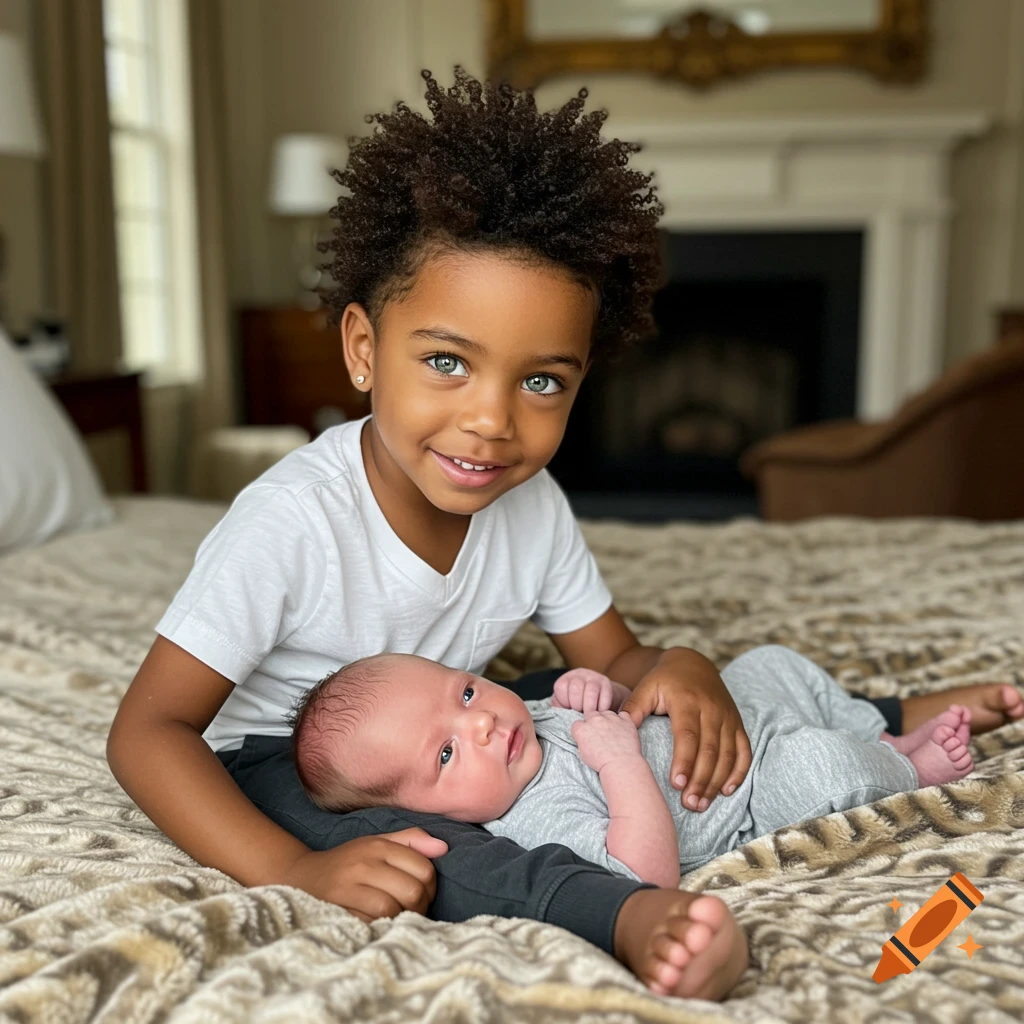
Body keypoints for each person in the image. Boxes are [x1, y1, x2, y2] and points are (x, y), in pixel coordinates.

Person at [105, 65, 1023, 1002]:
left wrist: (684, 667)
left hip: (463, 714)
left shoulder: (528, 503)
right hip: (301, 762)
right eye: (447, 362)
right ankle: (627, 914)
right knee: (439, 857)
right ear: (363, 349)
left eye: (541, 381)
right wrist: (288, 869)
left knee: (598, 705)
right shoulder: (290, 523)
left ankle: (881, 716)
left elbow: (616, 660)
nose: (493, 421)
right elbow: (147, 732)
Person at [290, 648, 979, 897]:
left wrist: (594, 690)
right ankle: (904, 764)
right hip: (747, 791)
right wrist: (619, 761)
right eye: (445, 755)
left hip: (733, 720)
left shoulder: (520, 718)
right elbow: (647, 874)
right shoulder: (532, 818)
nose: (481, 724)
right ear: (431, 815)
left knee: (768, 661)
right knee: (821, 770)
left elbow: (613, 709)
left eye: (465, 692)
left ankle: (873, 729)